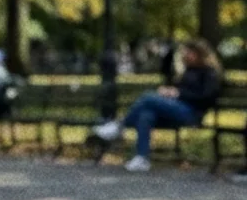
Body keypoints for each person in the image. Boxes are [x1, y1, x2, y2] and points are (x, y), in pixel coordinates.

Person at [92, 39, 221, 172]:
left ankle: (119, 126)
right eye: (185, 52)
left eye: (189, 52)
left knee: (148, 97)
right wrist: (169, 91)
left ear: (200, 54)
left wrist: (178, 93)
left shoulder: (209, 72)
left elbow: (207, 97)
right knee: (146, 114)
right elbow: (177, 85)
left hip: (192, 113)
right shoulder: (188, 70)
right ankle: (142, 158)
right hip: (176, 109)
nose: (186, 55)